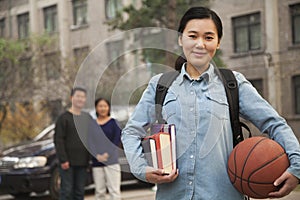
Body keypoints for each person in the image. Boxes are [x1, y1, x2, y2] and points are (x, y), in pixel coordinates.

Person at [121, 6, 300, 200]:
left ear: (218, 42)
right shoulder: (160, 85)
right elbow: (131, 132)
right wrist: (141, 169)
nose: (200, 44)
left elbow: (274, 123)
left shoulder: (233, 84)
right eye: (193, 36)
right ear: (181, 39)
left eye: (208, 37)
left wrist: (296, 167)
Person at [54, 87, 91, 200]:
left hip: (83, 162)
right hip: (67, 163)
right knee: (67, 191)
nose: (80, 99)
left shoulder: (87, 118)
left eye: (83, 97)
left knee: (79, 192)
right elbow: (58, 140)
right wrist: (63, 159)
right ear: (71, 98)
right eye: (78, 96)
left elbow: (91, 138)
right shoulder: (63, 118)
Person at [91, 98, 122, 200]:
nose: (103, 108)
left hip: (112, 162)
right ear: (96, 108)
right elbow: (89, 142)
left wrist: (107, 154)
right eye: (100, 106)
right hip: (97, 163)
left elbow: (116, 141)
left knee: (114, 191)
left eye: (105, 106)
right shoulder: (92, 124)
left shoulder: (114, 123)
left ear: (108, 108)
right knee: (99, 192)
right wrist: (97, 156)